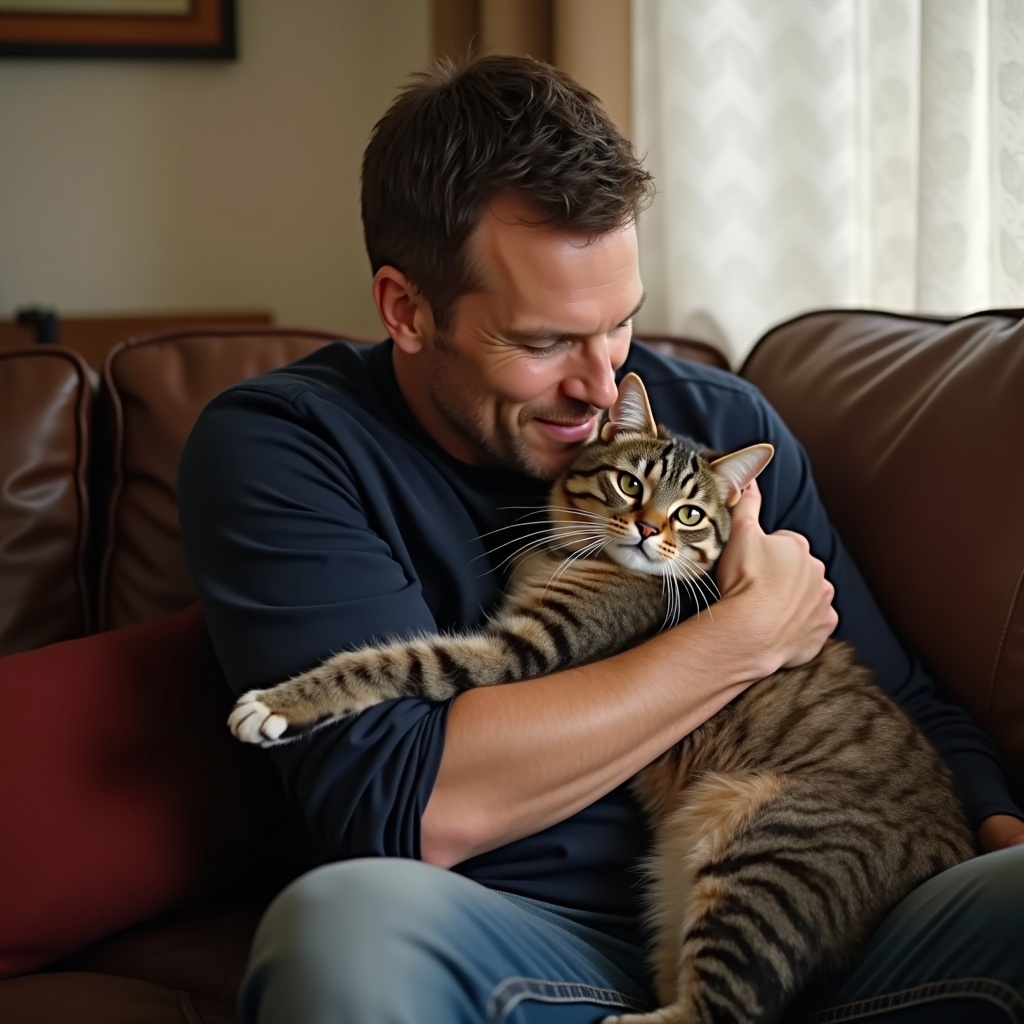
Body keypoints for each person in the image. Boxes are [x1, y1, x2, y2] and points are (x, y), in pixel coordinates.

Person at [178, 54, 1024, 1024]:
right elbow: (411, 808)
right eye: (545, 342)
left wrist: (998, 846)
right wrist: (738, 637)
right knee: (340, 922)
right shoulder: (285, 446)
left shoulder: (710, 426)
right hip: (519, 935)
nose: (599, 382)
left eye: (621, 323)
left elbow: (902, 698)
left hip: (816, 904)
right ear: (406, 309)